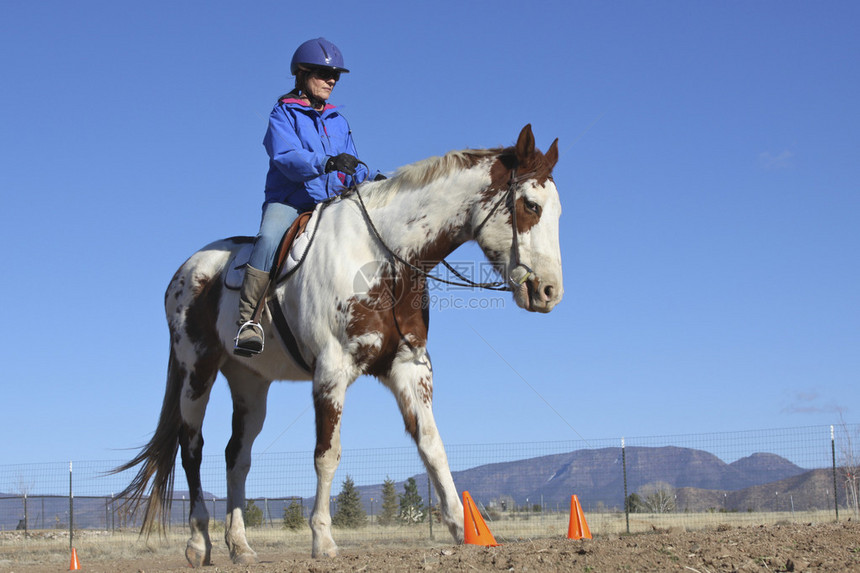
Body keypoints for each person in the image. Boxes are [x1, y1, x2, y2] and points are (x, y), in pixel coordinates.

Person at [234, 37, 381, 357]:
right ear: (301, 74)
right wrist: (325, 163)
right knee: (269, 238)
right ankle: (249, 321)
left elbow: (350, 162)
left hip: (332, 202)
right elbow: (285, 157)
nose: (331, 80)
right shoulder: (283, 114)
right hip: (290, 200)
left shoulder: (338, 120)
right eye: (323, 73)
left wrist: (371, 179)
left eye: (336, 76)